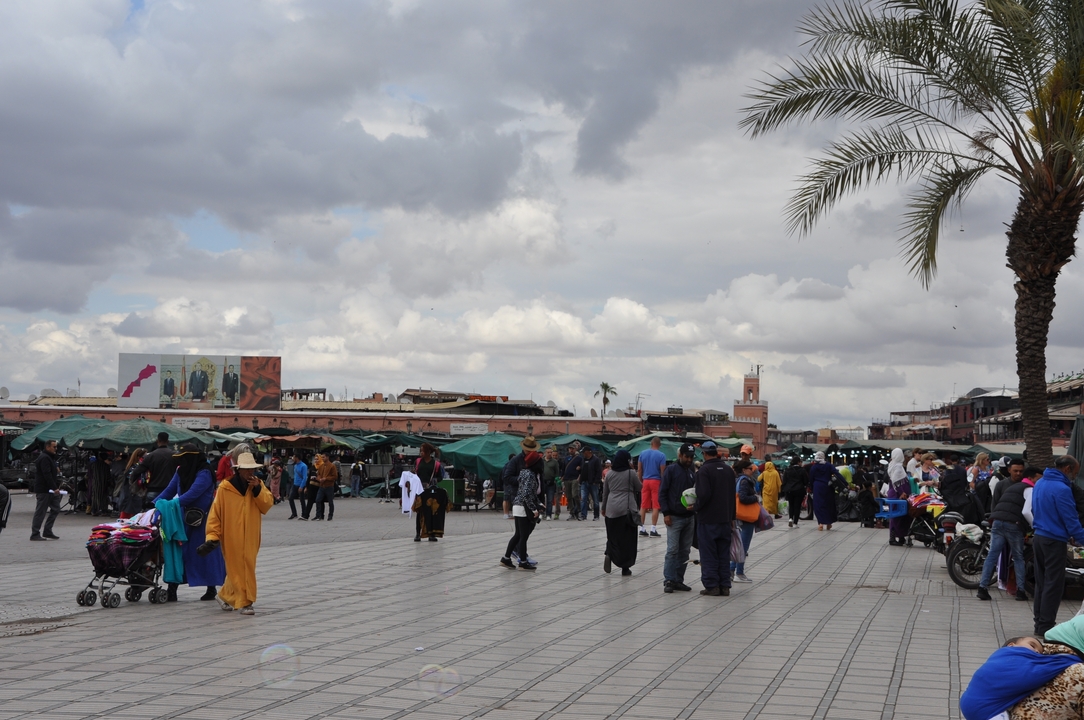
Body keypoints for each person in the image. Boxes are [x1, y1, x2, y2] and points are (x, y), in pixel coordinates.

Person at [198, 452, 272, 615]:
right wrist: (212, 537)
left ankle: (224, 596)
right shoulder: (225, 488)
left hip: (251, 535)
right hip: (231, 536)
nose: (250, 473)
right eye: (246, 470)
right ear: (238, 470)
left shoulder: (257, 485)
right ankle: (246, 603)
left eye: (252, 469)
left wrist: (258, 489)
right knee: (238, 568)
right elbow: (215, 514)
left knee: (245, 566)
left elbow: (267, 504)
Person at [155, 443, 226, 602]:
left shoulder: (205, 472)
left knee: (206, 552)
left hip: (204, 519)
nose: (182, 461)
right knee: (179, 553)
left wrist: (172, 504)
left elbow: (193, 493)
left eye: (185, 457)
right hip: (183, 518)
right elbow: (169, 490)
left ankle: (211, 587)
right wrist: (156, 503)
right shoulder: (181, 471)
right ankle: (172, 589)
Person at [959, 635, 1081, 720]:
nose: (1037, 652)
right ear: (1011, 645)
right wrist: (1072, 658)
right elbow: (1032, 675)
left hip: (974, 702)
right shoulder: (1008, 657)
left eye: (1040, 652)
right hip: (985, 709)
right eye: (1032, 645)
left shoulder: (1001, 657)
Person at [1031, 456, 1084, 637]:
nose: (1074, 478)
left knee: (1042, 582)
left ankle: (1039, 622)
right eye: (1075, 473)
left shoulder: (1040, 483)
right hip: (1054, 540)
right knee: (1054, 584)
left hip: (1039, 537)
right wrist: (1081, 538)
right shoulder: (1062, 488)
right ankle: (1046, 625)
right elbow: (1070, 519)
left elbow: (1033, 510)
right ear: (1068, 469)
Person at [977, 464, 1035, 602]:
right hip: (1013, 525)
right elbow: (1026, 511)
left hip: (997, 521)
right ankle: (1021, 591)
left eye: (1021, 471)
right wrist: (1034, 525)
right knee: (1018, 557)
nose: (1018, 473)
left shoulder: (1010, 487)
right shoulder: (1029, 489)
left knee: (992, 556)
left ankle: (982, 587)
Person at [692, 441, 736, 597]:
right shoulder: (728, 471)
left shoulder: (703, 471)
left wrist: (695, 507)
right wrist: (732, 517)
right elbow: (732, 496)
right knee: (723, 554)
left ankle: (712, 586)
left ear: (704, 453)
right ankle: (725, 585)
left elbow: (703, 495)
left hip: (708, 519)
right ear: (716, 452)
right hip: (725, 519)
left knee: (709, 553)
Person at [659, 443, 697, 593]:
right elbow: (662, 493)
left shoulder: (691, 470)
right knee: (672, 550)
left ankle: (678, 580)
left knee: (685, 551)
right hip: (674, 517)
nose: (689, 459)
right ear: (680, 455)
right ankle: (669, 579)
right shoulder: (671, 470)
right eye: (686, 456)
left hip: (689, 517)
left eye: (691, 457)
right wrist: (666, 513)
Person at [602, 449, 642, 577]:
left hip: (611, 509)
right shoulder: (631, 473)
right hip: (627, 510)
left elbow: (605, 493)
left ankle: (609, 553)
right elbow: (639, 487)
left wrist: (603, 508)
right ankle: (625, 567)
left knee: (613, 536)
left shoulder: (609, 474)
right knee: (628, 540)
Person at [500, 450, 542, 571]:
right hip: (523, 507)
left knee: (518, 535)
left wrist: (539, 503)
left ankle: (506, 558)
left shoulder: (524, 472)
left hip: (517, 505)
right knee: (523, 536)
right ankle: (523, 562)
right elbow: (526, 494)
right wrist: (534, 509)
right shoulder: (530, 475)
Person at [131, 432, 178, 507]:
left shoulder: (150, 456)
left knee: (151, 515)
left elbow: (136, 472)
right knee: (168, 514)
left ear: (157, 441)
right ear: (168, 441)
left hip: (153, 489)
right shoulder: (175, 455)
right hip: (171, 490)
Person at [732, 460, 758, 583]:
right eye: (750, 468)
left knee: (738, 546)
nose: (752, 470)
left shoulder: (738, 480)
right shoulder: (745, 481)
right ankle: (739, 573)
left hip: (739, 517)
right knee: (743, 547)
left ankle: (731, 571)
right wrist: (755, 498)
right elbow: (743, 497)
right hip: (746, 518)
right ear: (743, 470)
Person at [30, 440, 62, 541]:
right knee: (41, 511)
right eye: (54, 447)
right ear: (48, 447)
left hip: (50, 490)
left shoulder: (49, 458)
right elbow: (46, 474)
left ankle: (47, 531)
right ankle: (35, 533)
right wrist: (54, 487)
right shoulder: (44, 458)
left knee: (56, 508)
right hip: (44, 489)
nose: (56, 449)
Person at [501, 436, 539, 519]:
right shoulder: (516, 460)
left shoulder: (536, 460)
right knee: (522, 527)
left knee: (529, 526)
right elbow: (507, 477)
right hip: (519, 496)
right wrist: (523, 479)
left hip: (532, 496)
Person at [637, 437, 667, 537]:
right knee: (655, 506)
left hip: (645, 480)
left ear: (651, 443)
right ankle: (653, 529)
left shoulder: (642, 453)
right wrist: (663, 483)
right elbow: (662, 471)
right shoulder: (661, 455)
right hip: (656, 481)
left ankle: (641, 528)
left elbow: (639, 469)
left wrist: (640, 480)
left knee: (643, 505)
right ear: (659, 444)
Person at [808, 451, 845, 531]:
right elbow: (837, 473)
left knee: (819, 505)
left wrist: (811, 488)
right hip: (828, 487)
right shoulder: (828, 465)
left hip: (817, 487)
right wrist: (844, 482)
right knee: (829, 504)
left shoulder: (814, 467)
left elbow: (811, 479)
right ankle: (828, 523)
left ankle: (821, 523)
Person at [885, 448, 912, 546]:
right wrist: (901, 492)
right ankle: (892, 538)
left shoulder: (892, 465)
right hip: (897, 496)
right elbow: (896, 481)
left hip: (895, 494)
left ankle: (901, 537)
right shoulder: (897, 467)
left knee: (901, 516)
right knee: (896, 517)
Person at [781, 459, 808, 528]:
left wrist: (785, 489)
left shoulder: (787, 470)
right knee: (797, 506)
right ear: (798, 462)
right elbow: (806, 481)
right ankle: (795, 523)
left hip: (789, 490)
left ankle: (790, 518)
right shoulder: (802, 470)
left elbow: (784, 481)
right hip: (799, 490)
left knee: (791, 505)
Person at [579, 446, 603, 521]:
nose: (583, 454)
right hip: (584, 482)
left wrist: (596, 481)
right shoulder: (583, 460)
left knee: (595, 500)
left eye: (584, 452)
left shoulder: (596, 460)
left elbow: (599, 471)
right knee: (583, 499)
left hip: (593, 483)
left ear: (589, 452)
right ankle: (583, 515)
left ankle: (596, 515)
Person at [312, 453, 337, 521]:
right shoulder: (321, 466)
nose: (323, 459)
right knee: (318, 500)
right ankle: (318, 515)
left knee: (330, 502)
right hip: (322, 486)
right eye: (322, 457)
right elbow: (318, 474)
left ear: (327, 457)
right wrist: (319, 479)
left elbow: (334, 476)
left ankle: (330, 515)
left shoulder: (332, 466)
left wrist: (326, 478)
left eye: (324, 457)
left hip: (329, 486)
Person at [562, 444, 583, 521]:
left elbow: (582, 469)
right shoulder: (566, 458)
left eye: (572, 449)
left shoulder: (579, 458)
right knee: (569, 496)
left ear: (575, 450)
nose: (571, 450)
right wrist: (562, 477)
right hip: (567, 479)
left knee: (575, 495)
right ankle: (572, 512)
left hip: (575, 478)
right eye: (570, 449)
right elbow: (563, 469)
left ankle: (579, 511)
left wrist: (580, 469)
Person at [541, 447, 561, 520]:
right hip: (543, 482)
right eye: (548, 452)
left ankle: (548, 514)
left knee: (550, 499)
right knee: (541, 499)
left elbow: (557, 473)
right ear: (545, 453)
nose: (550, 454)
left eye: (551, 452)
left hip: (551, 483)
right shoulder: (541, 461)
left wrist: (555, 480)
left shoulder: (554, 462)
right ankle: (542, 512)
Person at [287, 453, 307, 519]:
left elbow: (304, 477)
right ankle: (294, 513)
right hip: (295, 484)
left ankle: (304, 513)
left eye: (294, 457)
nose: (293, 458)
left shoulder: (303, 466)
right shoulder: (295, 466)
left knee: (302, 500)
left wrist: (301, 486)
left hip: (301, 485)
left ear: (297, 458)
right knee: (290, 498)